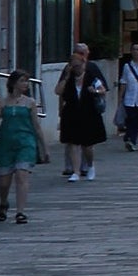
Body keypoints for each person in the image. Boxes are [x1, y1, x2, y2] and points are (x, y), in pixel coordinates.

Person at [0, 68, 47, 223]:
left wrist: (43, 146)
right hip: (6, 143)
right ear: (13, 83)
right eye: (22, 81)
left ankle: (20, 211)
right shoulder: (2, 102)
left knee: (22, 175)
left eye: (27, 81)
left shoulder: (30, 103)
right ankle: (3, 203)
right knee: (4, 182)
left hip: (26, 142)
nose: (26, 84)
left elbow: (36, 126)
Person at [54, 43, 108, 181]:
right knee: (72, 143)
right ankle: (76, 172)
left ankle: (90, 166)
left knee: (87, 145)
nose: (76, 68)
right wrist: (66, 77)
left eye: (78, 65)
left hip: (88, 113)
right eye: (74, 66)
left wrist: (94, 91)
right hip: (72, 113)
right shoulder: (69, 77)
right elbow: (58, 92)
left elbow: (102, 89)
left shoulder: (91, 74)